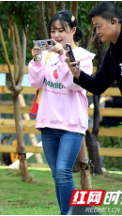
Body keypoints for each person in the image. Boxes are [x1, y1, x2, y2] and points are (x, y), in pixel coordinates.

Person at [28, 10, 95, 215]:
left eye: (62, 30)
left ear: (73, 30)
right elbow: (36, 82)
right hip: (48, 123)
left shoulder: (84, 57)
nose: (57, 35)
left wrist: (63, 57)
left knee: (63, 171)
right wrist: (37, 60)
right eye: (53, 31)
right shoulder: (47, 56)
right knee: (57, 175)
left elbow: (73, 84)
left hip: (71, 125)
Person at [65, 1, 122, 147]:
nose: (97, 31)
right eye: (94, 27)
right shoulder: (114, 49)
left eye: (99, 26)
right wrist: (77, 73)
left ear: (114, 21)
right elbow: (99, 85)